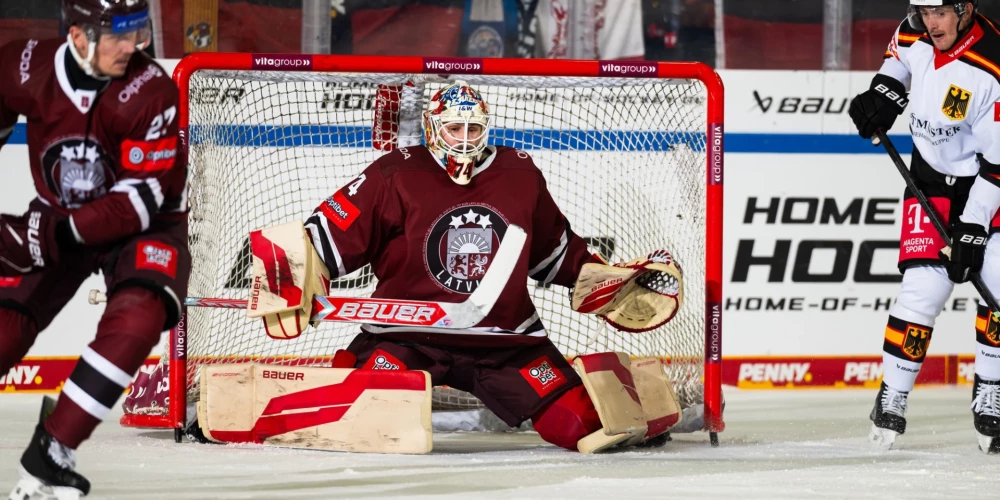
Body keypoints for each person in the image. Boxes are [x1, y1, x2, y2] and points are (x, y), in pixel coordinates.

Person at [299, 80, 679, 451]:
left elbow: (555, 252)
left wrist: (602, 281)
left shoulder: (520, 174)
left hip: (504, 342)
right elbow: (324, 238)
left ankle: (634, 404)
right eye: (453, 127)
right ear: (433, 128)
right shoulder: (396, 172)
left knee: (580, 424)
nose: (464, 137)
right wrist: (294, 276)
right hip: (406, 337)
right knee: (363, 418)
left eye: (474, 127)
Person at [0, 0, 189, 496]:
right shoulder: (24, 67)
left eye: (139, 32)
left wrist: (48, 234)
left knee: (139, 318)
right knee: (4, 329)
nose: (134, 48)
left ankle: (53, 449)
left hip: (147, 226)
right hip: (60, 213)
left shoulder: (153, 90)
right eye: (119, 35)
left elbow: (138, 203)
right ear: (79, 36)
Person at [848, 0, 1000, 453]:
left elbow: (998, 165)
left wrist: (973, 226)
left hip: (983, 183)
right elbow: (898, 61)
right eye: (922, 11)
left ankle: (991, 391)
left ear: (966, 9)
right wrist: (884, 95)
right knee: (923, 289)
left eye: (939, 13)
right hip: (929, 180)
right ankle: (892, 395)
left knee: (997, 285)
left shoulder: (991, 68)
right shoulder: (914, 31)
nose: (929, 22)